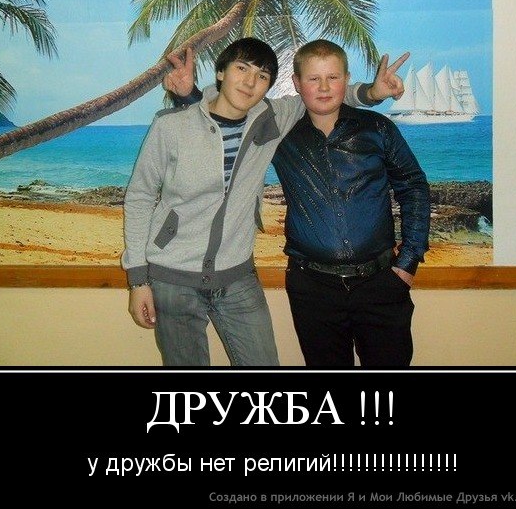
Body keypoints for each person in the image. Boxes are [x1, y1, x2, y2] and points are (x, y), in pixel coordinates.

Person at [122, 37, 405, 367]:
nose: (249, 81)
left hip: (237, 276)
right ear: (221, 72)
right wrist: (138, 280)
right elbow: (140, 197)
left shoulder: (271, 117)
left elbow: (323, 94)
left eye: (262, 76)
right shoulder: (170, 126)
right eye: (241, 69)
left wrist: (373, 93)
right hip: (172, 278)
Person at [271, 39, 431, 367]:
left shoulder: (378, 128)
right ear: (297, 83)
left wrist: (408, 262)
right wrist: (189, 96)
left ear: (346, 79)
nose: (324, 87)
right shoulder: (278, 135)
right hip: (311, 288)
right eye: (314, 79)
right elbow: (229, 113)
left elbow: (413, 187)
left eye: (333, 77)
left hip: (381, 283)